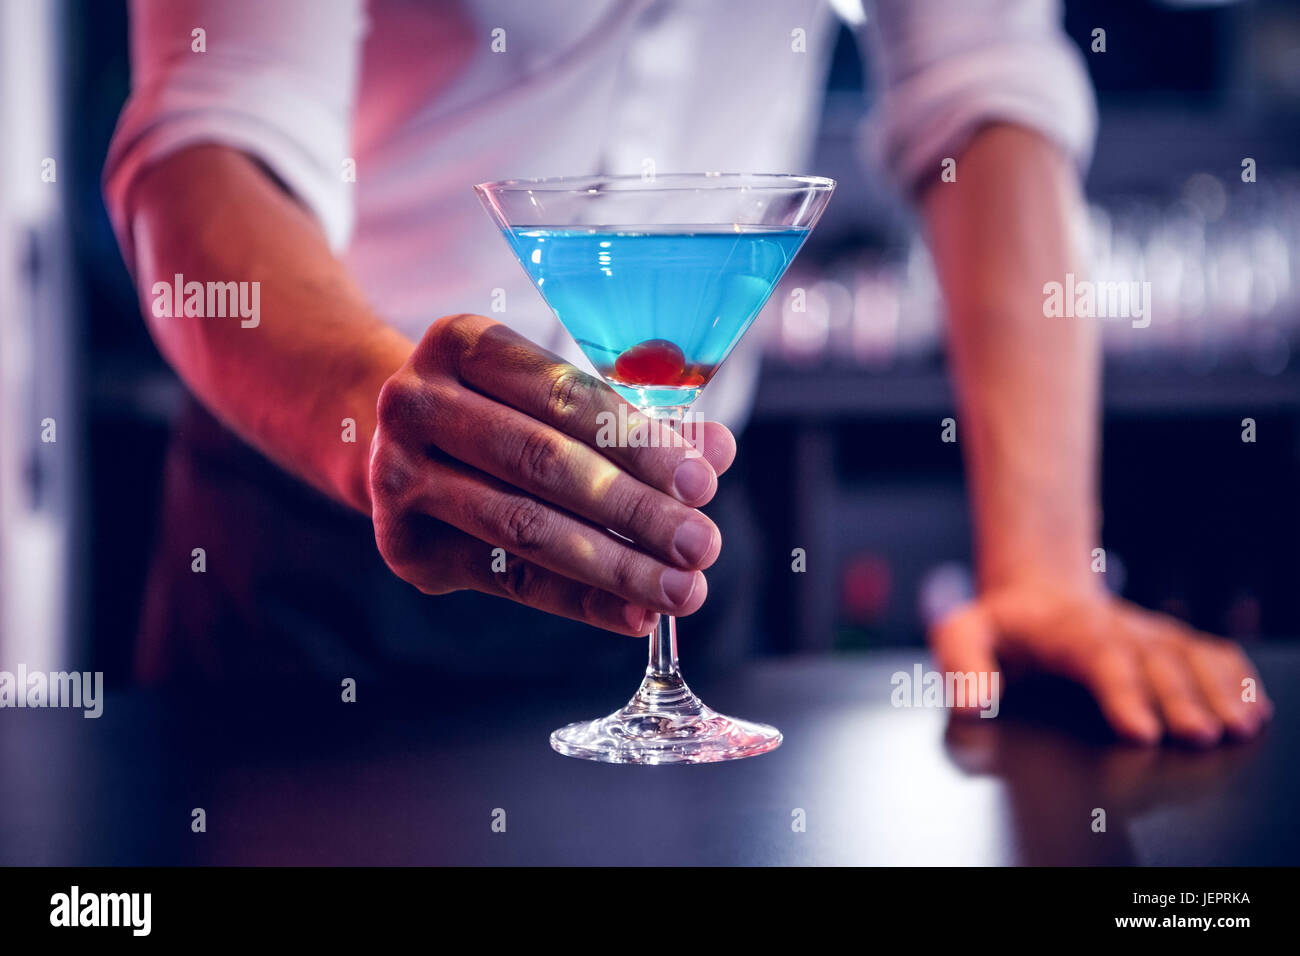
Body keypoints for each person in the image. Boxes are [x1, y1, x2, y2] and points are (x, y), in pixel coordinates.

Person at [104, 0, 1271, 743]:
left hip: (684, 530)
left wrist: (1041, 568)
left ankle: (662, 698)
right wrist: (382, 413)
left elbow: (985, 88)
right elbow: (211, 135)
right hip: (323, 535)